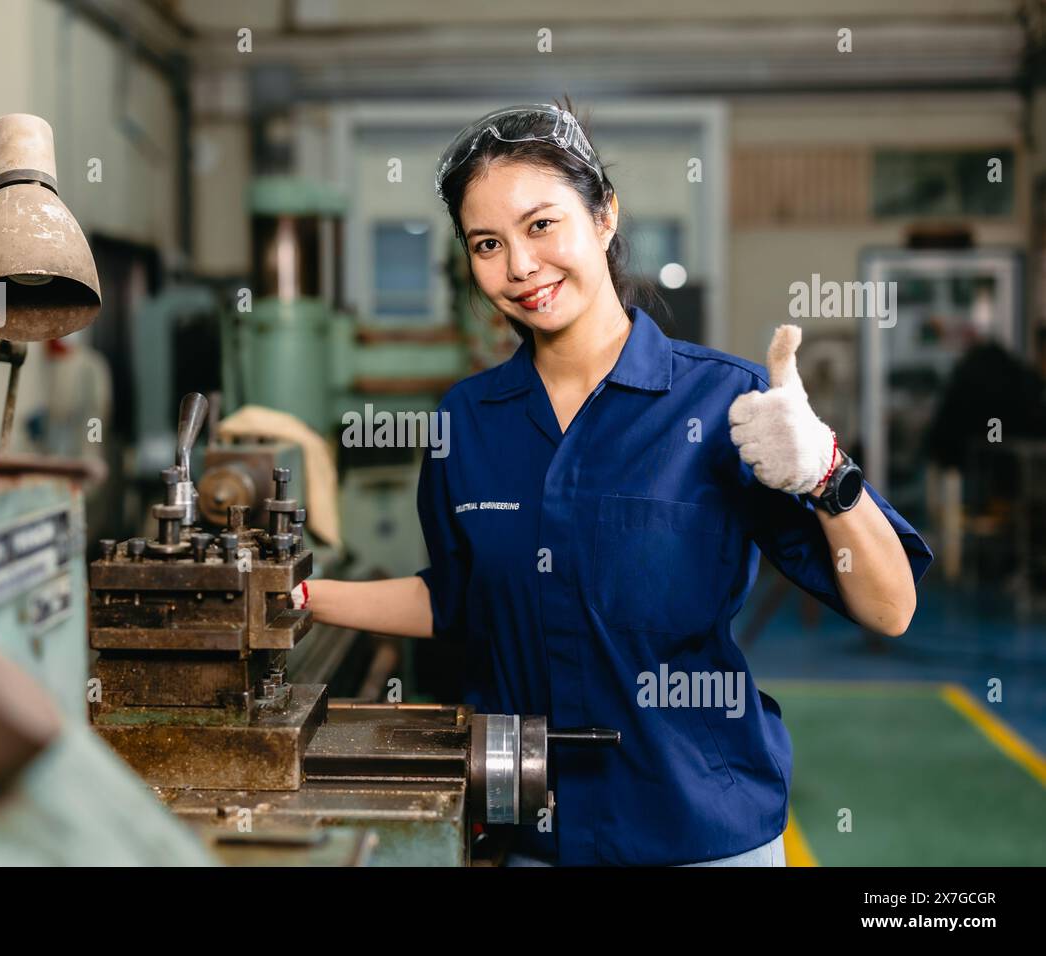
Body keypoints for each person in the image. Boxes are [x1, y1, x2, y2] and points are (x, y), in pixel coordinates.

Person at [300, 100, 934, 866]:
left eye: (542, 226)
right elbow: (459, 598)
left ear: (604, 215)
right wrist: (297, 596)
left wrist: (826, 471)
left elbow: (890, 606)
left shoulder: (728, 406)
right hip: (530, 838)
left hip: (700, 833)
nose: (521, 267)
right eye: (487, 244)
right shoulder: (466, 420)